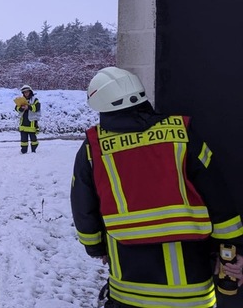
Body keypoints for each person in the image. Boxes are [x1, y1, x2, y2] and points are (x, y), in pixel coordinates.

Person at [70, 66, 243, 307]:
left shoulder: (93, 148)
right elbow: (217, 195)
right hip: (192, 290)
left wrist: (95, 247)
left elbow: (83, 207)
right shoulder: (181, 133)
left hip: (129, 289)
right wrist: (232, 249)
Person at [14, 84, 40, 153]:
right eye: (24, 92)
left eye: (27, 92)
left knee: (33, 139)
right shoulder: (21, 100)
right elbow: (16, 108)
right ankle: (23, 151)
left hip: (31, 123)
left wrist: (28, 107)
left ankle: (33, 151)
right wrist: (21, 108)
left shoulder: (35, 100)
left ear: (30, 92)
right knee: (23, 140)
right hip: (23, 123)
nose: (26, 93)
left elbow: (37, 108)